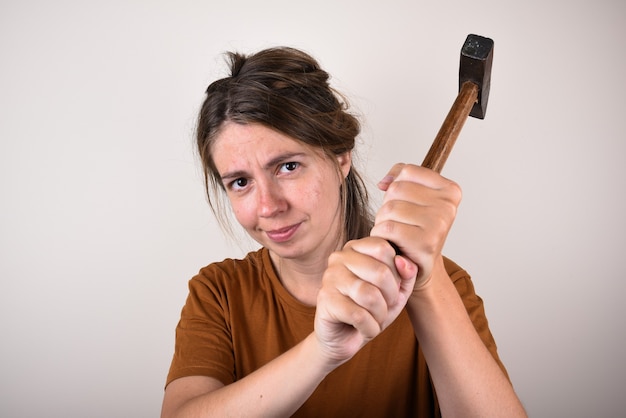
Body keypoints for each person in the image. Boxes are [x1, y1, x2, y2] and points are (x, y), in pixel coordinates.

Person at [161, 46, 526, 417]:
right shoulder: (218, 293)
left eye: (288, 166)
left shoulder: (440, 285)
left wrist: (428, 286)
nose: (268, 206)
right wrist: (322, 350)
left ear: (340, 158)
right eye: (240, 182)